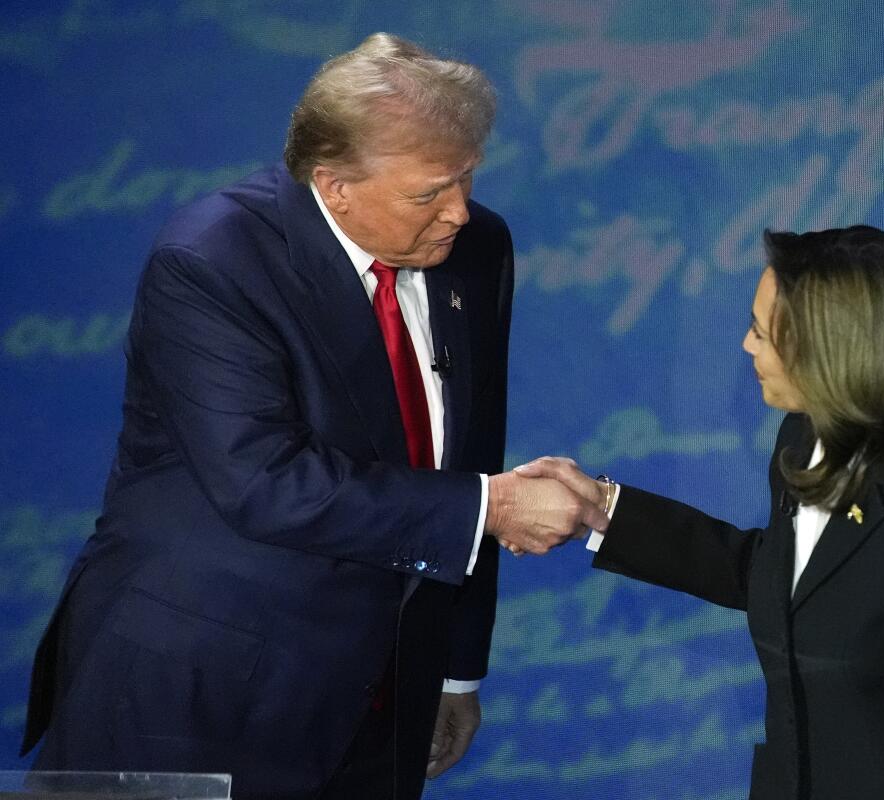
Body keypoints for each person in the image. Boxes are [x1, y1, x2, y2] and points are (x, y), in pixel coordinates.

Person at [21, 34, 605, 800]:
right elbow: (265, 481)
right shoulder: (213, 261)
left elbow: (470, 449)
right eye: (429, 193)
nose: (459, 211)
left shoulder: (477, 247)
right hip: (203, 689)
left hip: (386, 691)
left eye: (466, 177)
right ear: (333, 187)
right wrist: (493, 508)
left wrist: (456, 667)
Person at [519, 226, 884, 800]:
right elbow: (784, 580)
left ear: (831, 353)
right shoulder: (801, 440)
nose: (748, 346)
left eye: (760, 331)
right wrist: (605, 511)